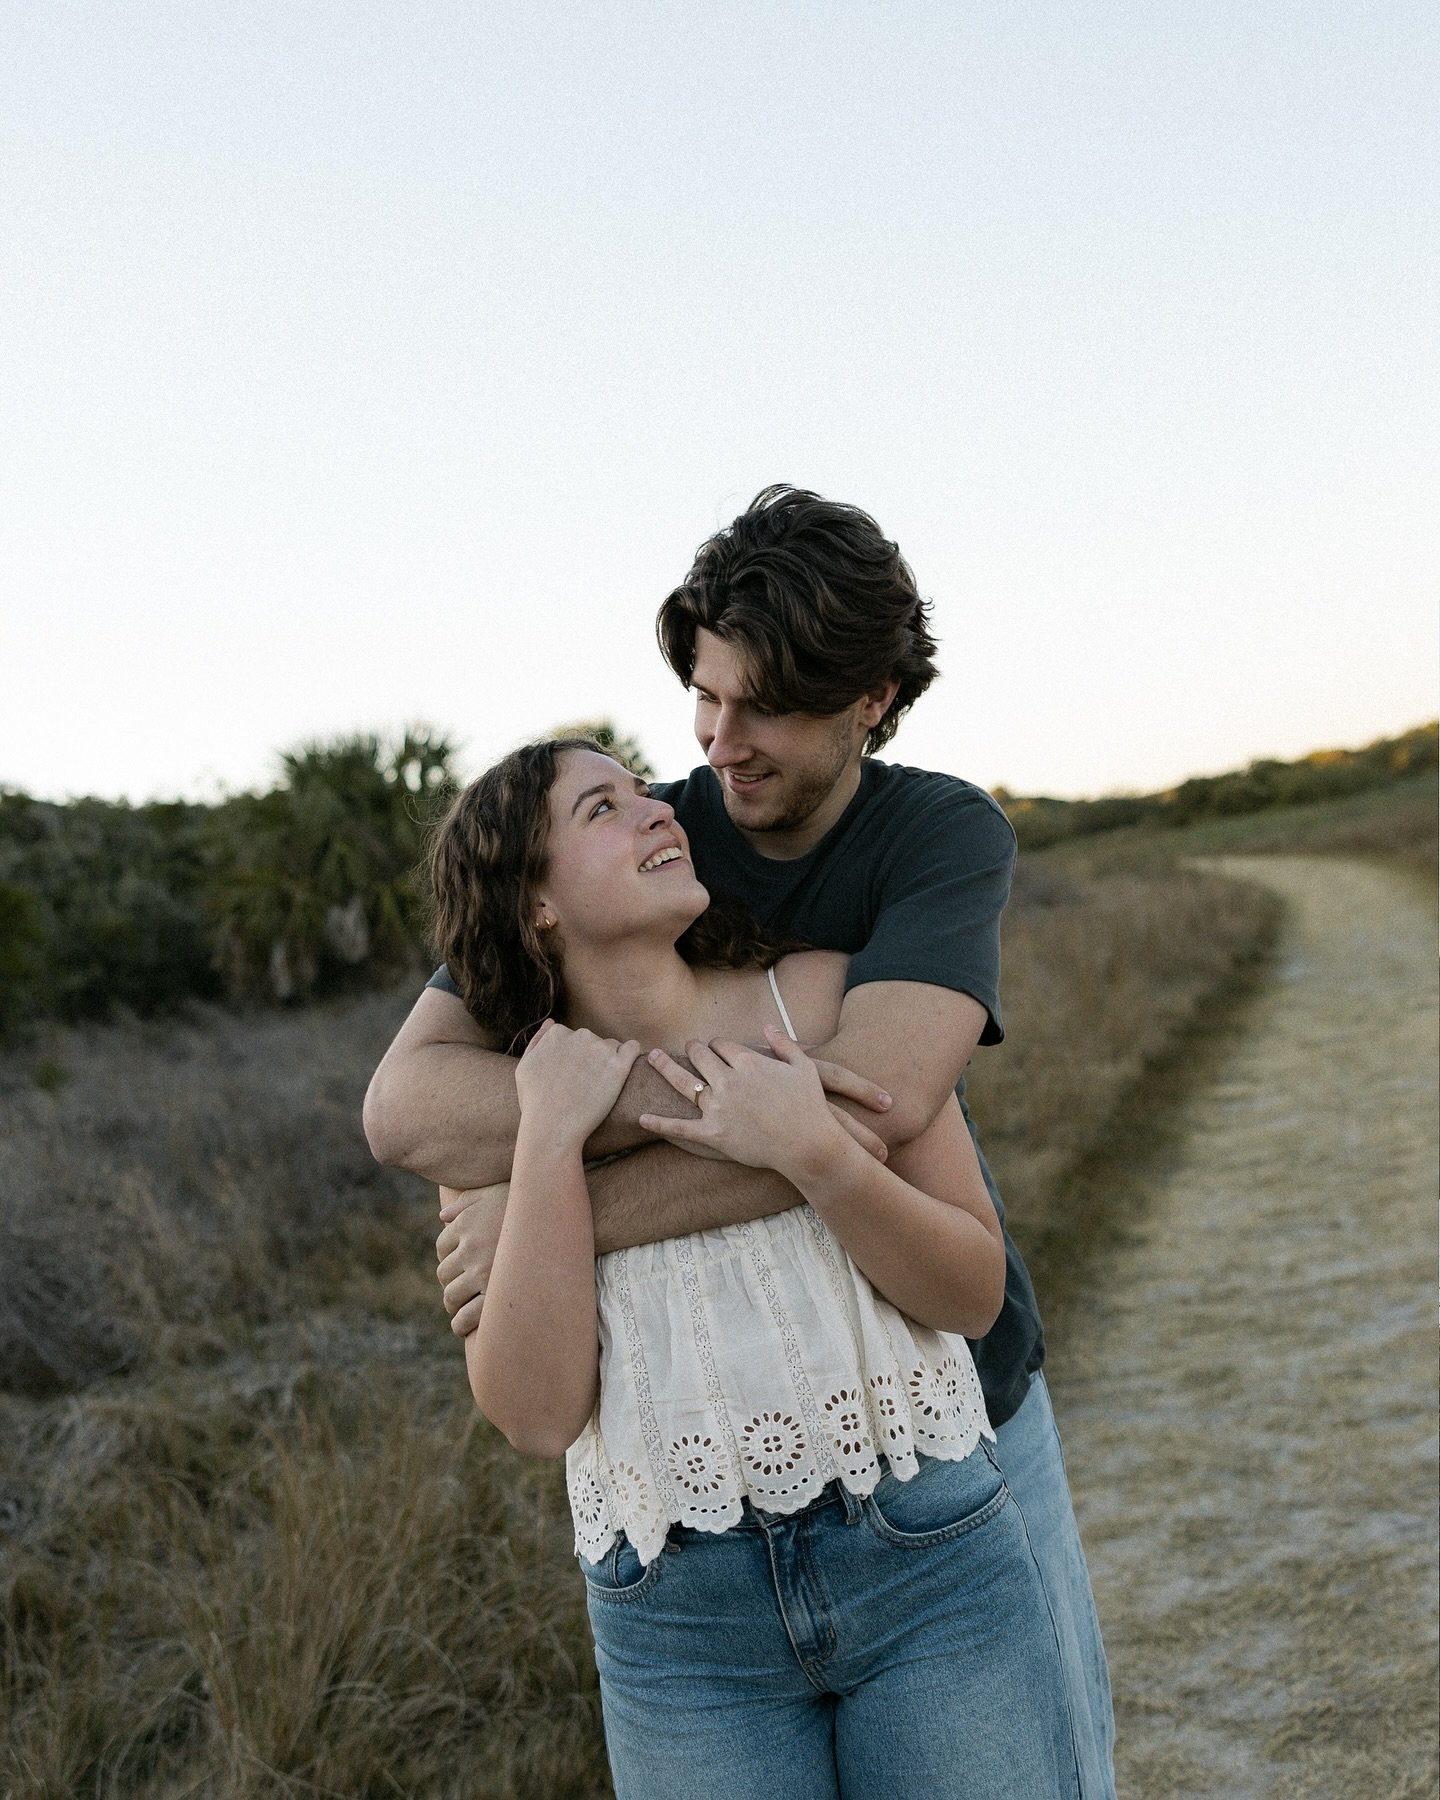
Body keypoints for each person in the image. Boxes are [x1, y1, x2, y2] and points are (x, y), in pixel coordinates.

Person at [364, 485, 1116, 1796]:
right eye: (704, 699)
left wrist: (556, 1214)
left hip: (954, 1418)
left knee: (1059, 1763)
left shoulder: (936, 836)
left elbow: (875, 1108)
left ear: (871, 698)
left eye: (761, 707)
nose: (717, 746)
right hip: (683, 1570)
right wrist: (588, 1128)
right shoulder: (649, 831)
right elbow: (408, 1110)